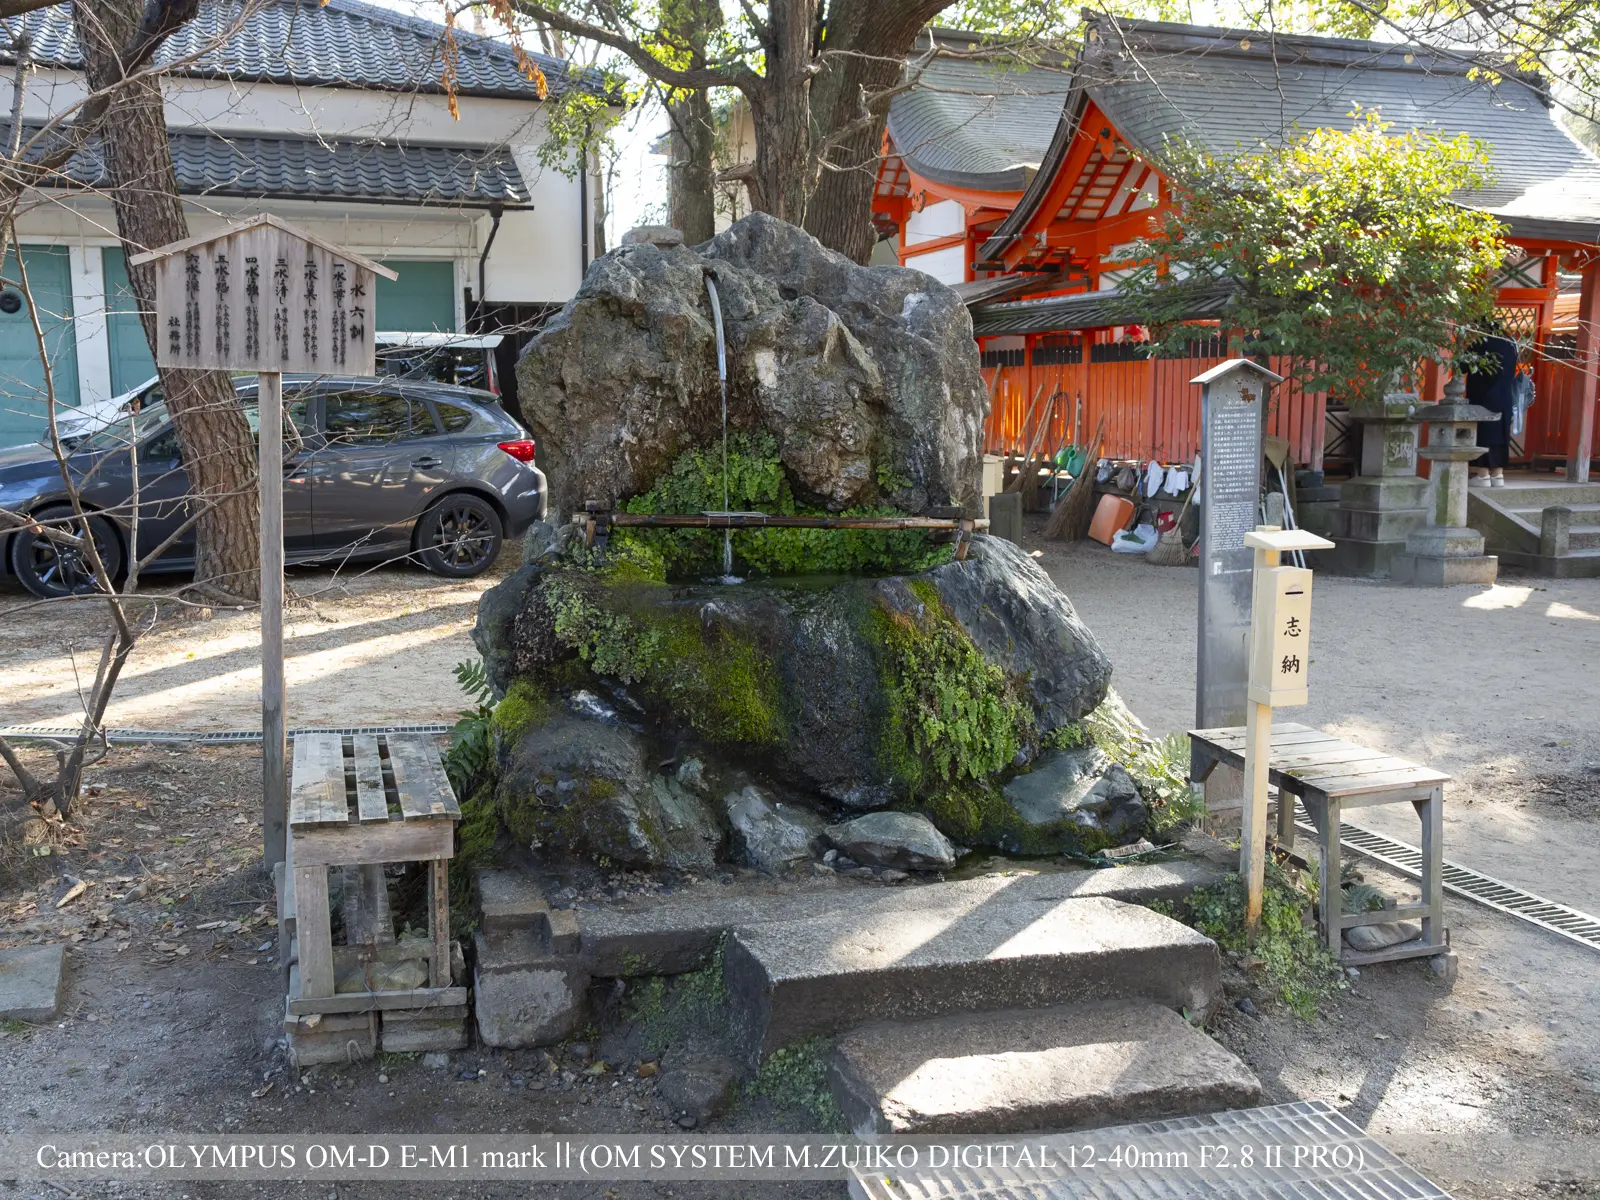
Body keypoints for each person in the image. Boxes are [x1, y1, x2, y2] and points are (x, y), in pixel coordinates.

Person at [1465, 330, 1520, 487]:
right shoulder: (1510, 345)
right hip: (1504, 396)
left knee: (1483, 433)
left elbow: (1462, 365)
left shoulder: (1481, 343)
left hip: (1483, 396)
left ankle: (1482, 474)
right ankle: (1497, 474)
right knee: (1501, 434)